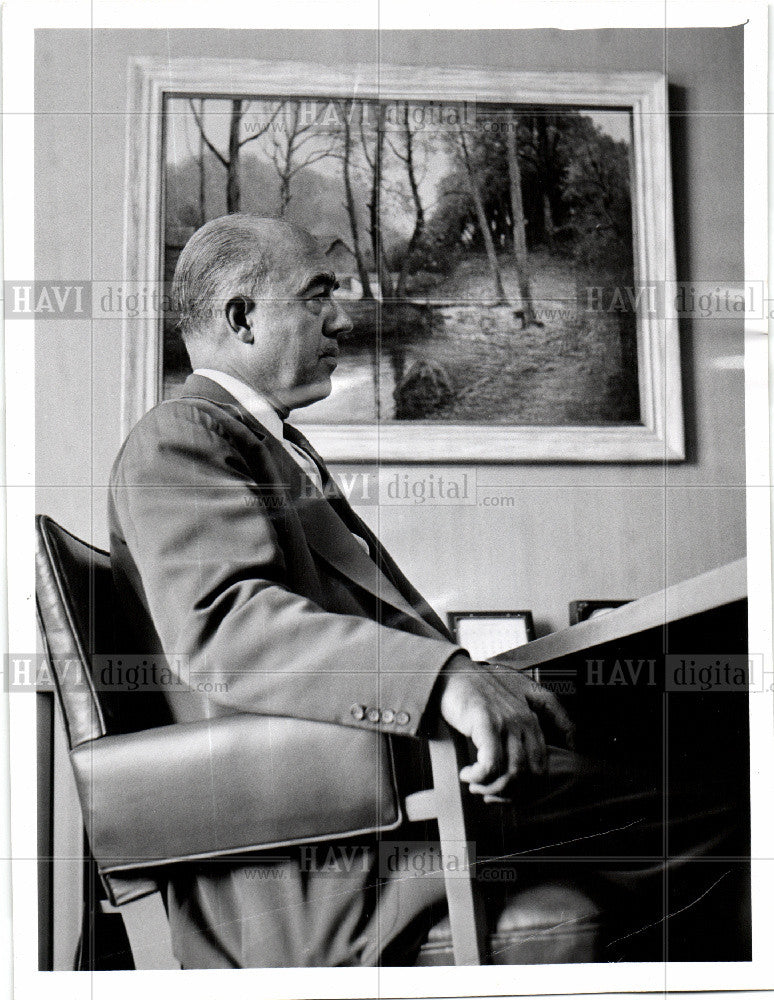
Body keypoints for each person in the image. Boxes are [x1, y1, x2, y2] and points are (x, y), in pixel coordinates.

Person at [108, 214, 747, 968]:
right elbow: (227, 631)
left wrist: (479, 677)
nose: (342, 318)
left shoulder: (266, 443)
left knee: (689, 765)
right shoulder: (181, 435)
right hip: (334, 849)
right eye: (318, 296)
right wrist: (444, 677)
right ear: (241, 318)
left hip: (381, 808)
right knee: (724, 793)